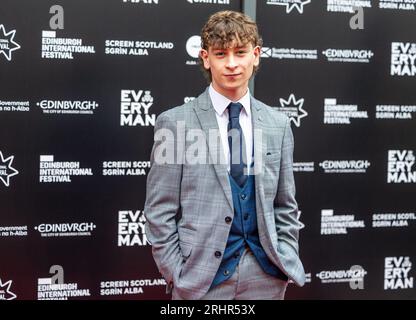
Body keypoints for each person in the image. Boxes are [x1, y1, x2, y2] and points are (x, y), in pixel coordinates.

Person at [144, 10, 305, 300]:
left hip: (266, 278)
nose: (231, 63)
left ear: (255, 55)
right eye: (221, 54)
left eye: (240, 52)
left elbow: (285, 204)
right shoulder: (176, 123)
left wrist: (286, 254)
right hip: (200, 280)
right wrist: (177, 274)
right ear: (206, 58)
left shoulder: (278, 125)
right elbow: (159, 211)